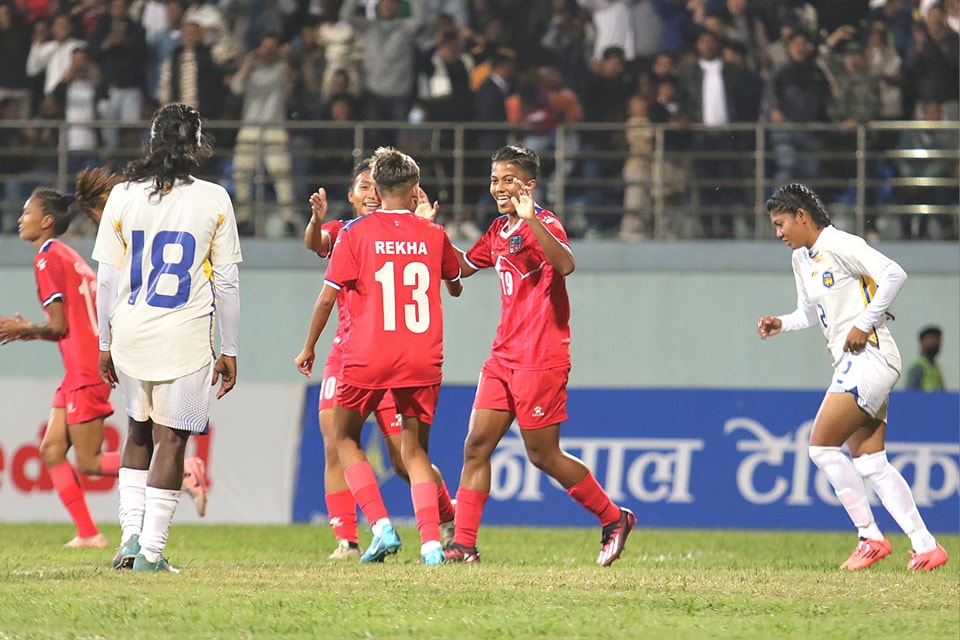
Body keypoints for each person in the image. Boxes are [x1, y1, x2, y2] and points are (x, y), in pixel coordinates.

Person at [444, 145, 636, 567]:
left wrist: (532, 219)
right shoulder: (498, 230)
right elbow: (463, 266)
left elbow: (566, 265)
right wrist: (431, 234)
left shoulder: (544, 223)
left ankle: (613, 517)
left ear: (529, 186)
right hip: (502, 357)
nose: (499, 187)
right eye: (494, 179)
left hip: (540, 357)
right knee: (476, 446)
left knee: (542, 454)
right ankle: (463, 546)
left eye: (508, 180)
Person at [756, 183, 948, 573]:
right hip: (854, 362)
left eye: (780, 223)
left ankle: (869, 536)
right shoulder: (801, 258)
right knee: (872, 462)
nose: (778, 233)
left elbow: (894, 274)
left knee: (821, 448)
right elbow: (808, 313)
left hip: (869, 357)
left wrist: (865, 322)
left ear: (801, 216)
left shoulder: (840, 243)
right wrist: (782, 323)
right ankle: (926, 545)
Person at [294, 146, 462, 565]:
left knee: (347, 439)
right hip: (420, 356)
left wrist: (308, 346)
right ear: (414, 189)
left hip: (367, 353)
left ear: (381, 189)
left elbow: (326, 297)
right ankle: (426, 545)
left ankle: (384, 526)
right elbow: (456, 284)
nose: (368, 192)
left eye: (373, 185)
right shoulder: (431, 233)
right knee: (414, 451)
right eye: (361, 186)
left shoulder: (355, 234)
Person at [93, 103, 242, 573]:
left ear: (152, 141)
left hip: (130, 332)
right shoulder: (214, 198)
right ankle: (151, 554)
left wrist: (103, 341)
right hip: (184, 335)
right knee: (172, 440)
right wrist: (230, 348)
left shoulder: (122, 196)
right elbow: (227, 283)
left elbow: (106, 279)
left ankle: (129, 539)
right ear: (198, 146)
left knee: (137, 431)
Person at [0, 171, 118, 548]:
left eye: (27, 212)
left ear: (47, 220)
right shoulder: (68, 254)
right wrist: (30, 330)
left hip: (86, 367)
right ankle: (88, 533)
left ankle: (177, 469)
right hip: (81, 365)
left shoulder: (46, 259)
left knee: (91, 462)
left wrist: (24, 329)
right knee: (51, 450)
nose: (21, 218)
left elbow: (57, 325)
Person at [905, 326, 946, 391]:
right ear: (922, 342)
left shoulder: (936, 369)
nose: (935, 342)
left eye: (937, 339)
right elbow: (910, 395)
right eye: (931, 338)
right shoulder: (918, 368)